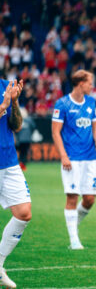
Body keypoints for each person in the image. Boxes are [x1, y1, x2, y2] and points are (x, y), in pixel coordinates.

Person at [52, 70, 96, 250]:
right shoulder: (63, 104)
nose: (92, 86)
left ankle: (73, 226)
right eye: (90, 83)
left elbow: (95, 127)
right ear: (81, 83)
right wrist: (63, 156)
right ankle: (74, 240)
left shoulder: (91, 102)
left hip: (89, 157)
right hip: (71, 158)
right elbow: (55, 132)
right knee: (72, 197)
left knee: (90, 199)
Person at [0, 79, 31, 288]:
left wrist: (15, 102)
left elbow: (17, 125)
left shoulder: (5, 84)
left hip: (9, 160)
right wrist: (3, 105)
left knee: (23, 213)